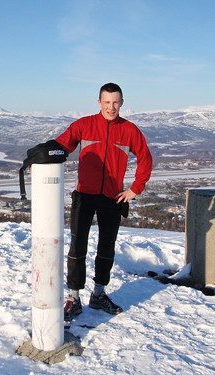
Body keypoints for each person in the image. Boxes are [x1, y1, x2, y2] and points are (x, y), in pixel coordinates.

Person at [55, 82, 153, 321]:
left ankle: (99, 295)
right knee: (78, 247)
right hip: (85, 196)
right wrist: (42, 155)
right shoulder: (84, 125)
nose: (111, 107)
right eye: (107, 102)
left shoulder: (129, 130)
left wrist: (134, 189)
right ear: (99, 102)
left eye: (116, 102)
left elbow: (145, 158)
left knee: (106, 247)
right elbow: (61, 146)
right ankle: (74, 298)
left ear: (122, 102)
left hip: (112, 197)